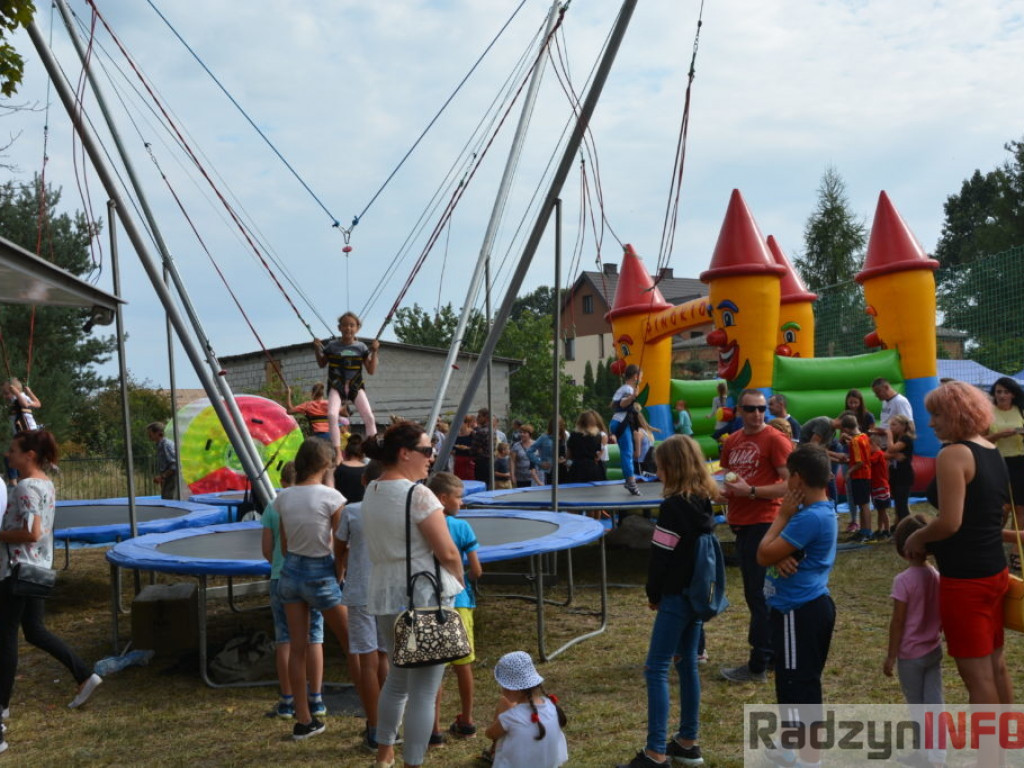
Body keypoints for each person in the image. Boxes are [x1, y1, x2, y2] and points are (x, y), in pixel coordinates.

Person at [361, 422, 464, 768]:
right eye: (426, 450)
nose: (431, 457)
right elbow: (447, 552)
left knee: (397, 679)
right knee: (423, 689)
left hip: (388, 593)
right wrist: (461, 581)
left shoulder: (372, 490)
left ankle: (384, 754)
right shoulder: (418, 494)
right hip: (425, 596)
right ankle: (413, 762)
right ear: (405, 453)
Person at [904, 381, 1012, 710]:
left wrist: (917, 536)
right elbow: (992, 516)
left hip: (966, 581)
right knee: (996, 666)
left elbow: (951, 522)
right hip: (994, 571)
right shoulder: (990, 450)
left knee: (977, 676)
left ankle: (990, 761)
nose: (931, 422)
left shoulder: (953, 454)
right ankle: (1007, 748)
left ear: (957, 414)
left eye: (937, 414)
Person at [616, 435, 717, 768]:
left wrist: (653, 593)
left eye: (658, 465)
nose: (655, 470)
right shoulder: (704, 500)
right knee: (686, 663)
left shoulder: (673, 507)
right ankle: (688, 741)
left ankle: (655, 751)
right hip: (697, 594)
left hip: (675, 595)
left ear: (671, 467)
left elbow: (661, 555)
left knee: (655, 668)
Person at [0, 429, 102, 755]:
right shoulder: (44, 483)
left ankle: (1, 709)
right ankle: (85, 675)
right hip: (37, 569)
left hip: (17, 570)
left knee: (6, 640)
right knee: (34, 631)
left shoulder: (28, 487)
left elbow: (32, 533)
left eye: (14, 450)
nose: (9, 455)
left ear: (29, 455)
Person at [756, 444, 838, 768]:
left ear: (799, 479)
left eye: (789, 476)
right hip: (805, 608)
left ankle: (808, 758)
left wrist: (782, 516)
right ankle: (790, 745)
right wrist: (782, 554)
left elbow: (763, 554)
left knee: (797, 685)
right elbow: (775, 553)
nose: (787, 482)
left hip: (798, 611)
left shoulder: (806, 518)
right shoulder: (817, 512)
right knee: (794, 680)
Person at [275, 437, 354, 740]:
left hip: (291, 572)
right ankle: (374, 718)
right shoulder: (332, 497)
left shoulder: (283, 496)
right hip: (320, 571)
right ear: (325, 464)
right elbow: (341, 543)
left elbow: (284, 543)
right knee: (353, 645)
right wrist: (340, 572)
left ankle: (304, 719)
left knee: (298, 648)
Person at [719, 389, 793, 684]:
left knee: (759, 595)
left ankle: (758, 664)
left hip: (765, 524)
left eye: (762, 408)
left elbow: (791, 485)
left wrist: (751, 492)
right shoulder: (733, 441)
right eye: (751, 409)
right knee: (758, 594)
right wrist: (724, 491)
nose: (758, 414)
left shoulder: (775, 439)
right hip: (741, 524)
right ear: (739, 410)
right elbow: (726, 473)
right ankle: (771, 656)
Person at [261, 461, 326, 720]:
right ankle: (317, 698)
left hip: (282, 576)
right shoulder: (316, 501)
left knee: (285, 639)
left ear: (284, 480)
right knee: (314, 637)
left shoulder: (274, 505)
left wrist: (278, 564)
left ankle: (288, 699)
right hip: (312, 574)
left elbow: (267, 547)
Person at [335, 460, 389, 752]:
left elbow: (338, 549)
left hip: (360, 591)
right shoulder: (396, 512)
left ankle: (375, 726)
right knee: (384, 656)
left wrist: (339, 573)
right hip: (389, 592)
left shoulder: (352, 512)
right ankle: (388, 723)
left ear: (364, 482)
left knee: (368, 660)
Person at [427, 472, 483, 745]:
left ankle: (434, 728)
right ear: (443, 498)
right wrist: (466, 582)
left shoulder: (422, 525)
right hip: (459, 601)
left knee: (435, 668)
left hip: (431, 601)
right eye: (459, 497)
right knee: (463, 665)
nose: (462, 502)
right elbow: (476, 569)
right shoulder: (462, 528)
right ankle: (468, 720)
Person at [884, 514, 944, 768]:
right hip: (933, 650)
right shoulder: (936, 576)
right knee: (935, 704)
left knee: (917, 707)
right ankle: (936, 757)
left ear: (903, 549)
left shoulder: (903, 581)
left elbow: (897, 622)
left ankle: (923, 753)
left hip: (910, 656)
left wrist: (890, 656)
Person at [314, 311, 380, 462]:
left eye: (351, 325)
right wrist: (317, 349)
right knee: (331, 415)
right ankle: (337, 453)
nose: (348, 328)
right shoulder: (332, 346)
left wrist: (375, 351)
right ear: (339, 328)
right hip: (336, 386)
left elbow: (371, 370)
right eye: (345, 325)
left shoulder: (361, 347)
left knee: (369, 416)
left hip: (355, 386)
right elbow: (322, 363)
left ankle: (373, 451)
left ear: (357, 328)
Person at [485, 651, 568, 768]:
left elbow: (490, 734)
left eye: (503, 686)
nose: (502, 691)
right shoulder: (551, 705)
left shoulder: (510, 718)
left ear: (512, 689)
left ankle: (492, 754)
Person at [988, 376, 1024, 530]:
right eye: (998, 392)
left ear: (1013, 394)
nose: (1002, 395)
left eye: (1006, 392)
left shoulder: (1020, 411)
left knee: (1020, 506)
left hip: (1020, 461)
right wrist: (998, 435)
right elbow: (980, 439)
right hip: (997, 461)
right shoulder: (987, 413)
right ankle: (995, 536)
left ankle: (1017, 548)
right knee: (1003, 507)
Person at [611, 365, 643, 496]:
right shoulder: (628, 389)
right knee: (627, 453)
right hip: (621, 422)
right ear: (635, 376)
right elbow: (622, 404)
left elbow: (613, 404)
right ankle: (631, 481)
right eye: (641, 376)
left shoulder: (624, 388)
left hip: (618, 422)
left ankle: (629, 479)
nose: (641, 378)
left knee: (627, 452)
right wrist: (632, 397)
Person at [840, 413, 872, 541]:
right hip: (866, 474)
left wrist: (849, 472)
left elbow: (860, 462)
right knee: (862, 503)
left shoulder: (855, 441)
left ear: (847, 429)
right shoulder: (863, 436)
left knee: (863, 505)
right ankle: (863, 530)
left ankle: (867, 531)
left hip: (860, 475)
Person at [885, 414, 916, 523]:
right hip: (895, 475)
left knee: (902, 506)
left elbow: (891, 449)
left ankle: (908, 527)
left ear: (903, 426)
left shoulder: (905, 438)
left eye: (894, 425)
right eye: (890, 425)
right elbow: (887, 454)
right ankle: (898, 526)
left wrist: (888, 435)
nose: (891, 428)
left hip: (904, 476)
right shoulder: (897, 438)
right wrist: (893, 455)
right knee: (898, 504)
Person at [566, 411, 603, 484]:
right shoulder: (597, 436)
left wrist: (568, 462)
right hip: (592, 468)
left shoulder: (573, 435)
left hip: (577, 468)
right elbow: (598, 455)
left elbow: (569, 454)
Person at [146, 421, 180, 501]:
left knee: (169, 501)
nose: (148, 435)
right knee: (166, 499)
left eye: (150, 433)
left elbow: (175, 465)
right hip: (168, 478)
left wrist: (162, 477)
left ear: (158, 433)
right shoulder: (160, 445)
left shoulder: (166, 445)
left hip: (172, 479)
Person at [868, 434, 892, 542]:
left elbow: (870, 461)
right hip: (876, 486)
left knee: (883, 511)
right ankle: (880, 529)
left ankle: (886, 530)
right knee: (879, 510)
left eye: (868, 446)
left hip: (881, 486)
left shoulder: (878, 454)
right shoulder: (877, 454)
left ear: (874, 444)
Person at [334, 434, 368, 504]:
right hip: (362, 510)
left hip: (342, 509)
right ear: (362, 453)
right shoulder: (367, 469)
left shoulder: (338, 469)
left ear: (346, 452)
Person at [470, 408, 495, 489]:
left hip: (482, 461)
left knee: (481, 484)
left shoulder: (481, 431)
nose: (477, 418)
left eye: (480, 416)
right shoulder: (493, 430)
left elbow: (473, 449)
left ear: (486, 418)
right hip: (490, 460)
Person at [453, 415, 476, 482]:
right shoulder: (456, 434)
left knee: (469, 478)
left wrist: (467, 448)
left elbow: (476, 447)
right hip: (458, 459)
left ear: (466, 423)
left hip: (468, 459)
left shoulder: (472, 433)